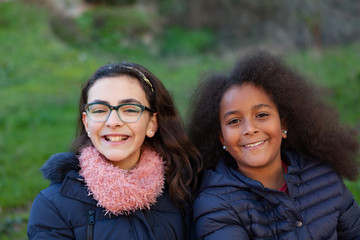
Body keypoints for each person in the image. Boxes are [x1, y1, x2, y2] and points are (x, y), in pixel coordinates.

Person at [187, 50, 360, 239]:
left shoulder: (322, 173)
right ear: (222, 138)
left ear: (283, 123)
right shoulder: (215, 205)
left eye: (261, 115)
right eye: (234, 121)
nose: (250, 129)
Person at [27, 62, 202, 239]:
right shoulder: (52, 206)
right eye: (100, 110)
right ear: (87, 122)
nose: (113, 121)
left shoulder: (182, 190)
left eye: (130, 110)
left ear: (152, 123)